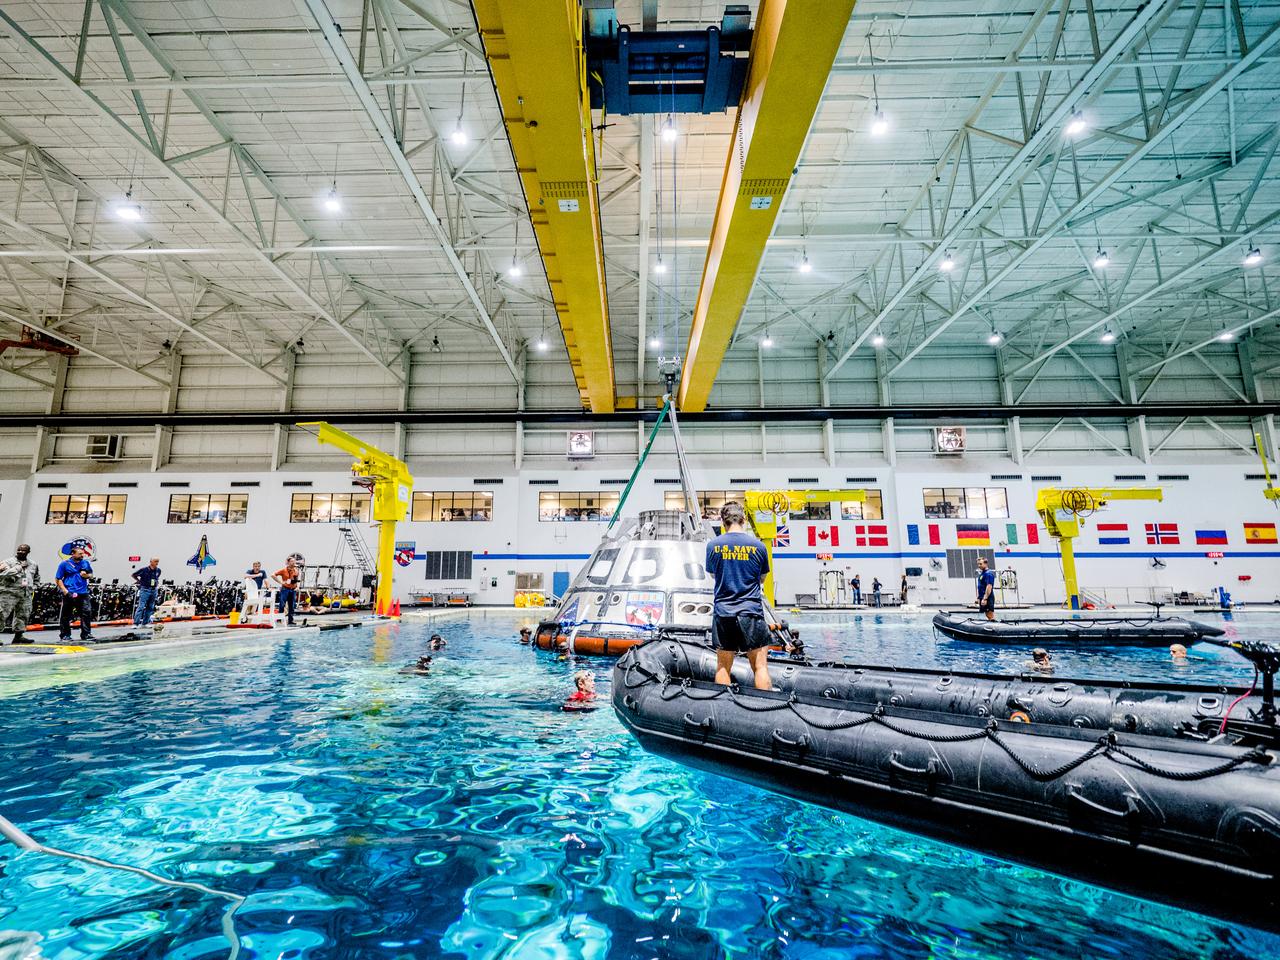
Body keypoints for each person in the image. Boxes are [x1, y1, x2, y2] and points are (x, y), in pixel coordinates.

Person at [706, 501, 772, 691]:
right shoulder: (758, 546)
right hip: (751, 611)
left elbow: (713, 575)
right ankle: (765, 710)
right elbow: (762, 579)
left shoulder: (713, 546)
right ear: (743, 520)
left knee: (723, 667)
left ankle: (724, 709)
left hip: (724, 612)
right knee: (759, 667)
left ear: (722, 521)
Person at [55, 545, 96, 643]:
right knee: (66, 615)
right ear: (73, 554)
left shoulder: (85, 563)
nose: (82, 555)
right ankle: (65, 635)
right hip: (70, 592)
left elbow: (91, 575)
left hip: (83, 592)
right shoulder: (64, 564)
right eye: (80, 554)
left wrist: (86, 575)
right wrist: (65, 591)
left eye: (83, 553)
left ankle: (86, 634)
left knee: (86, 613)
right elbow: (58, 579)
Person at [0, 544, 39, 645]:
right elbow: (2, 574)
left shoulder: (33, 564)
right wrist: (18, 568)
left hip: (25, 594)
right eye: (19, 550)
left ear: (28, 552)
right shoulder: (7, 562)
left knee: (23, 615)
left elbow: (36, 577)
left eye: (23, 550)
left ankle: (19, 636)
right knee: (2, 614)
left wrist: (34, 587)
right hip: (9, 593)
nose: (21, 552)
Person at [131, 557, 162, 626]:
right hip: (145, 589)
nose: (156, 563)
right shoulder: (144, 570)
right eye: (155, 561)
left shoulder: (158, 570)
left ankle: (145, 622)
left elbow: (157, 577)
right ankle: (136, 623)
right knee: (141, 606)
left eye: (157, 562)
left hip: (154, 590)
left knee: (150, 607)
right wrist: (139, 581)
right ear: (151, 562)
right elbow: (134, 575)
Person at [271, 557, 301, 626]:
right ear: (288, 562)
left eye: (294, 562)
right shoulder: (283, 570)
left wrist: (297, 587)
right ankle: (279, 619)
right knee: (282, 604)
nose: (293, 563)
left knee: (292, 606)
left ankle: (290, 621)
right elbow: (273, 575)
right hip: (285, 589)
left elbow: (296, 580)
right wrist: (281, 582)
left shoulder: (296, 570)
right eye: (292, 562)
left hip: (292, 590)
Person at [976, 556, 996, 621]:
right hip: (982, 597)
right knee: (987, 614)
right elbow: (980, 586)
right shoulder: (982, 573)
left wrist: (985, 598)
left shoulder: (988, 574)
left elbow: (989, 587)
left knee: (990, 615)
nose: (979, 565)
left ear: (985, 563)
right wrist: (979, 597)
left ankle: (994, 627)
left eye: (980, 564)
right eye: (978, 564)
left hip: (987, 597)